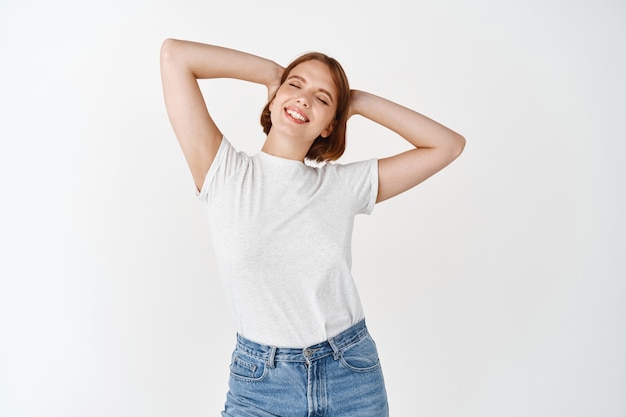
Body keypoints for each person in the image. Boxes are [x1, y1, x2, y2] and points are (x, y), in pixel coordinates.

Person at [160, 38, 465, 417]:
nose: (304, 99)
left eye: (322, 99)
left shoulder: (342, 186)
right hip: (261, 385)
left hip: (350, 373)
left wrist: (359, 101)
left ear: (329, 126)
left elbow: (447, 146)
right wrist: (272, 73)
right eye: (296, 85)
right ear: (272, 100)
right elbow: (175, 55)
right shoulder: (223, 172)